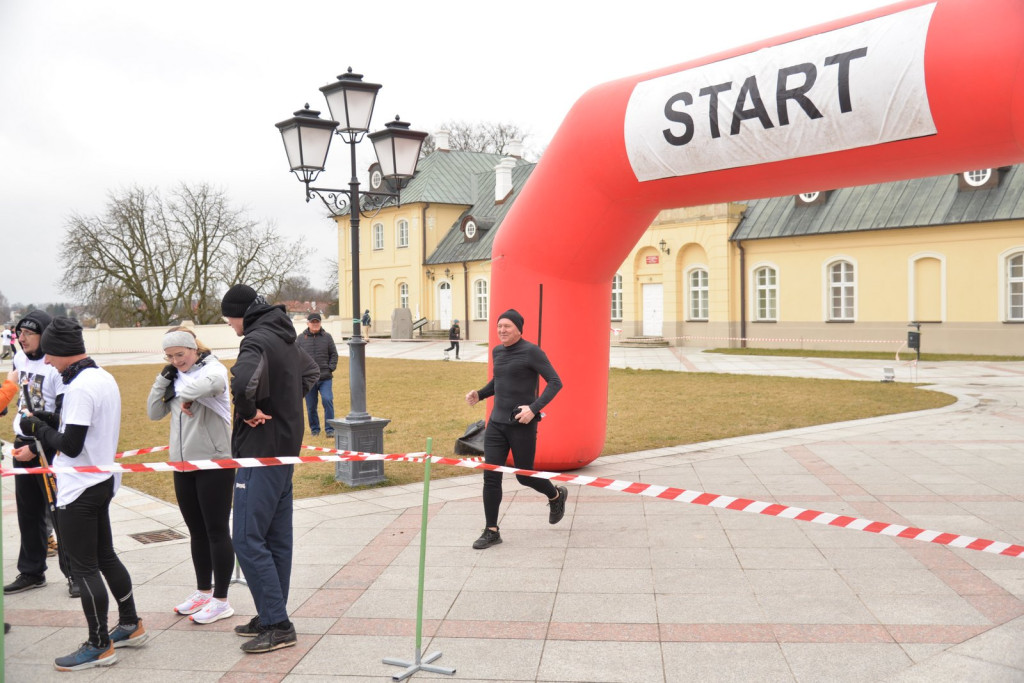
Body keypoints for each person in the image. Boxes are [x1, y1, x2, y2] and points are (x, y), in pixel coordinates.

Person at [15, 316, 147, 671]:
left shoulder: (78, 388)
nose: (46, 361)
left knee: (85, 566)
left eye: (50, 355)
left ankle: (98, 644)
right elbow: (81, 428)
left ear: (63, 352)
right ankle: (131, 624)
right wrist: (49, 419)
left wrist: (39, 428)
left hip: (80, 484)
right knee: (105, 556)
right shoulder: (101, 376)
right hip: (101, 478)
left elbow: (71, 446)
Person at [220, 285, 318, 654]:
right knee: (276, 538)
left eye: (229, 317)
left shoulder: (256, 340)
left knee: (246, 537)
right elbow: (313, 372)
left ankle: (277, 624)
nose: (229, 325)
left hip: (259, 452)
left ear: (240, 313)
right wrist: (286, 405)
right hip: (285, 451)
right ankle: (270, 612)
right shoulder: (284, 336)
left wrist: (249, 412)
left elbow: (242, 383)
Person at [147, 327, 235, 624]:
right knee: (196, 532)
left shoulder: (213, 368)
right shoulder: (173, 376)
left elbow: (212, 385)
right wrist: (164, 379)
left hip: (214, 463)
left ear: (194, 350)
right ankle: (203, 591)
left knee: (216, 531)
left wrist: (183, 395)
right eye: (169, 356)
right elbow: (152, 413)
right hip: (182, 465)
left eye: (180, 355)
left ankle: (222, 600)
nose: (175, 361)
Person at [464, 309, 568, 549]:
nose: (502, 330)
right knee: (491, 477)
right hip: (496, 424)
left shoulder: (532, 352)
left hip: (521, 424)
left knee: (524, 476)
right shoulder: (497, 352)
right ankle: (491, 531)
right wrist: (479, 394)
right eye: (499, 326)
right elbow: (499, 382)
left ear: (519, 329)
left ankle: (555, 495)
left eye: (507, 326)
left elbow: (555, 382)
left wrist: (533, 408)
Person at [3, 311, 75, 599]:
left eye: (29, 334)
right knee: (28, 514)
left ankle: (75, 574)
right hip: (22, 444)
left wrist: (37, 446)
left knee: (61, 513)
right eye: (19, 333)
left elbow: (62, 416)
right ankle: (32, 571)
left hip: (47, 448)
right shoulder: (19, 360)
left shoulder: (55, 367)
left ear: (44, 335)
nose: (22, 338)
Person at [296, 312, 337, 438]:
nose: (315, 324)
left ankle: (330, 429)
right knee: (311, 406)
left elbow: (334, 354)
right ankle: (315, 429)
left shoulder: (327, 337)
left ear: (320, 323)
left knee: (327, 400)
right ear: (308, 323)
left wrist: (331, 368)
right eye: (312, 322)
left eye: (317, 322)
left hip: (325, 377)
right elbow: (295, 356)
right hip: (308, 379)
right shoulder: (300, 339)